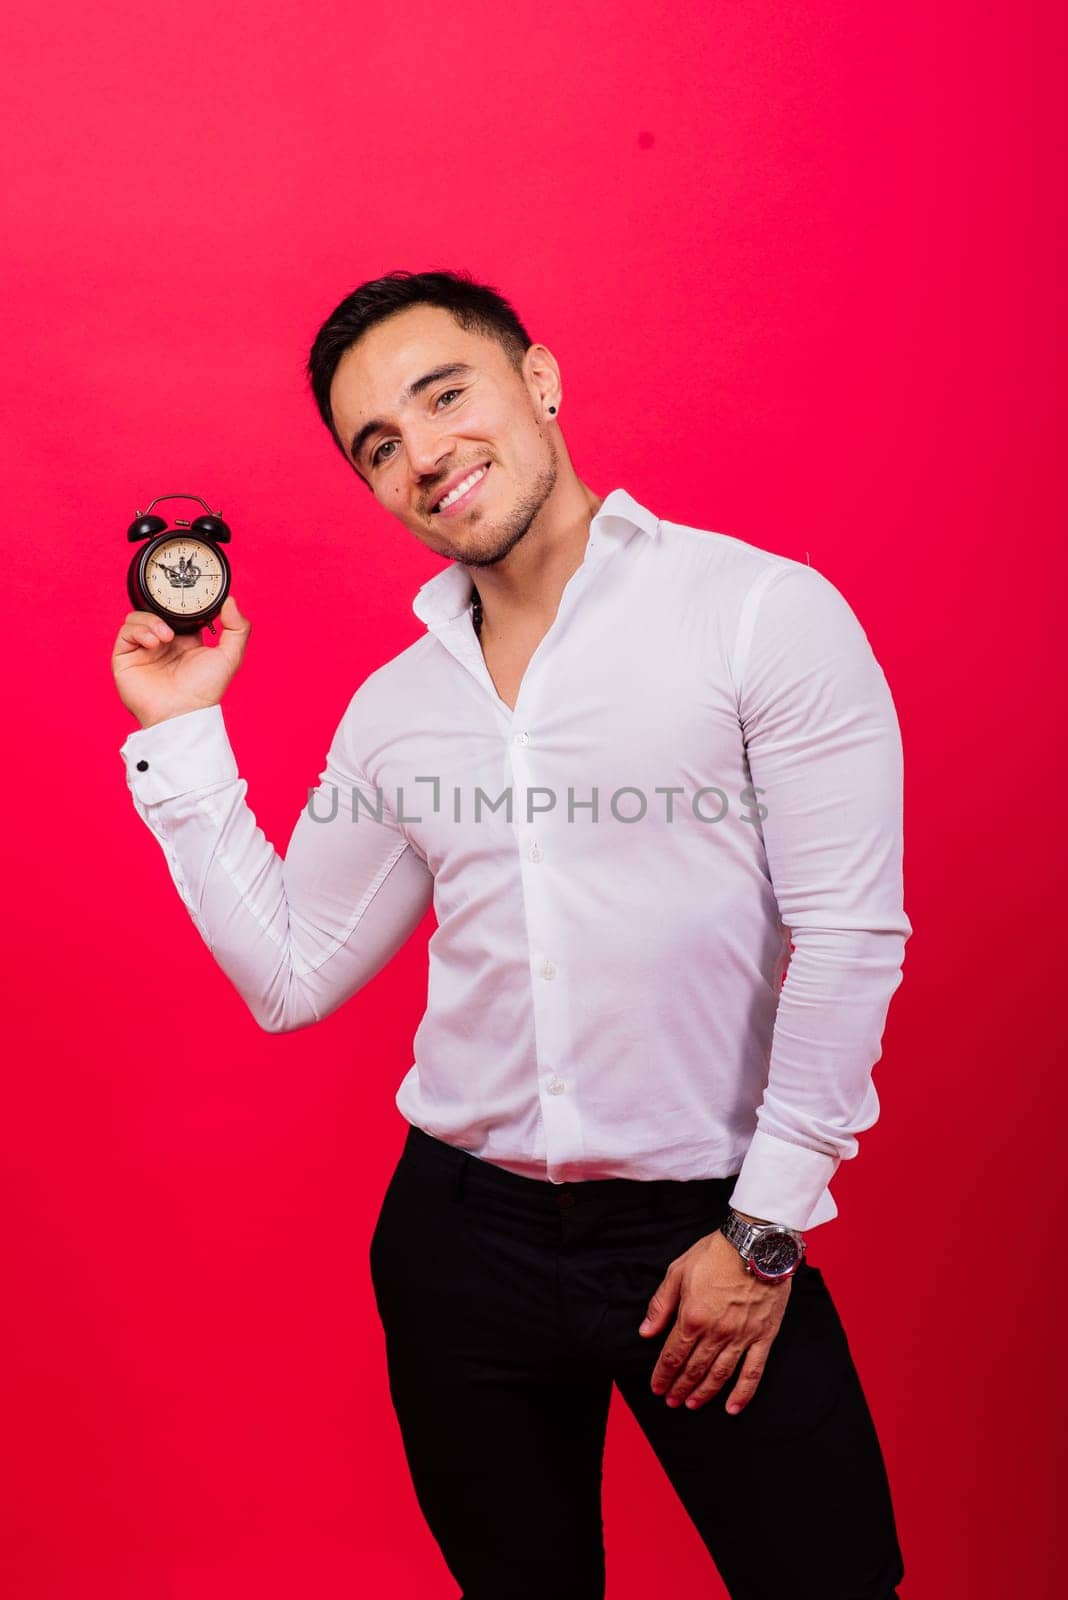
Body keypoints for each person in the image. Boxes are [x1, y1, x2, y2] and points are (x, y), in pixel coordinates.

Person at [111, 269, 911, 1599]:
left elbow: (848, 936)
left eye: (444, 394)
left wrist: (764, 1233)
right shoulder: (396, 707)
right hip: (456, 1242)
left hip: (702, 1233)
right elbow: (292, 977)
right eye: (380, 445)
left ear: (537, 380)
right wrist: (181, 730)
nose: (425, 454)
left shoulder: (760, 614)